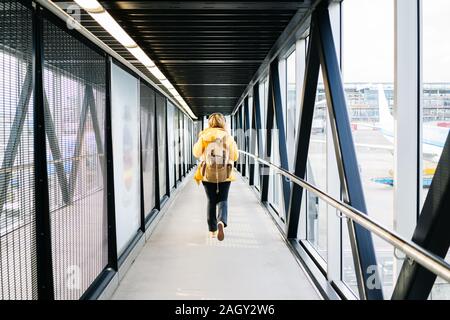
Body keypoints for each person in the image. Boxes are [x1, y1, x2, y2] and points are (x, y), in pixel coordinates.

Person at [193, 113, 239, 241]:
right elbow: (235, 156)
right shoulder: (227, 137)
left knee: (211, 200)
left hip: (208, 174)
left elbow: (196, 153)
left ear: (210, 123)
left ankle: (212, 231)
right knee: (223, 199)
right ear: (223, 123)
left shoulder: (204, 136)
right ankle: (221, 221)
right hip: (225, 174)